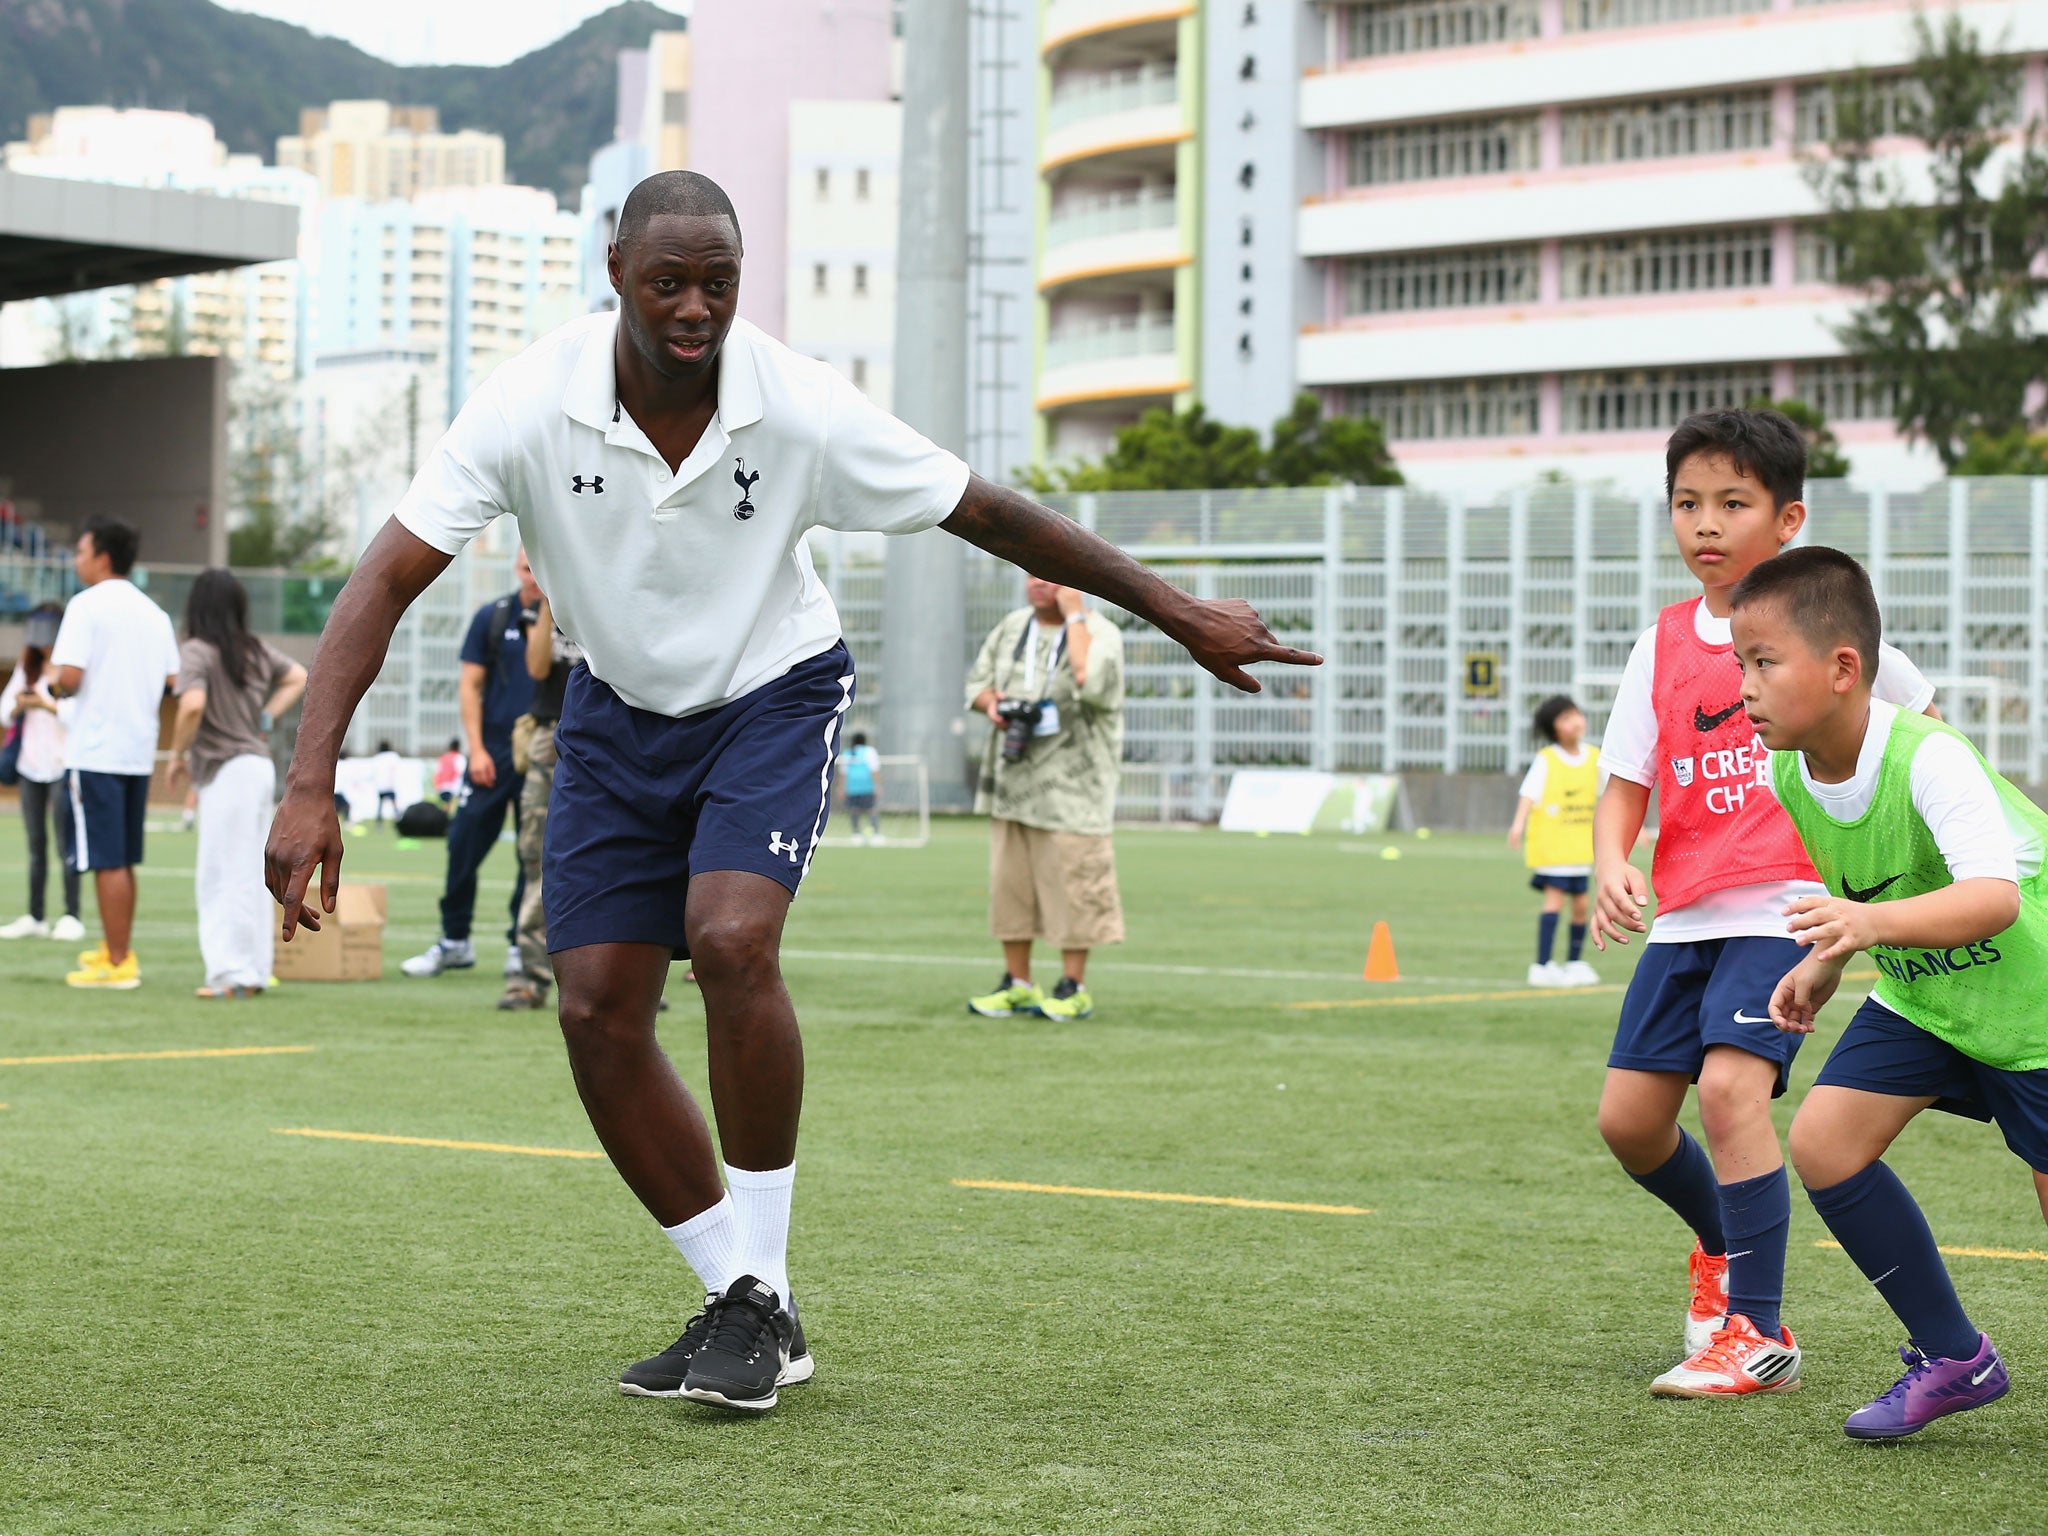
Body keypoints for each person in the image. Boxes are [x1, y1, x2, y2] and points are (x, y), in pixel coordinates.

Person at [264, 170, 1313, 1415]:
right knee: (594, 1008)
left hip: (770, 694)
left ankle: (754, 1290)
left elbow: (989, 513)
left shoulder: (799, 405)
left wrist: (1179, 610)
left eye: (718, 280)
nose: (696, 307)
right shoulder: (526, 402)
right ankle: (743, 1295)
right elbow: (382, 581)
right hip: (610, 717)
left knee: (729, 938)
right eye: (668, 281)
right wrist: (309, 780)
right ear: (616, 274)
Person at [1587, 408, 1937, 1398]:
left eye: (1729, 503)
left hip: (1783, 913)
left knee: (1733, 1091)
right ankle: (1716, 1238)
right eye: (1686, 504)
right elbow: (1624, 781)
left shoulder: (1827, 630)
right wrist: (1612, 861)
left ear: (1785, 520)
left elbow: (1921, 734)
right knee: (1627, 1123)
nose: (1704, 523)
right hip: (1685, 916)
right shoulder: (1657, 645)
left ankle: (1755, 1330)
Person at [1731, 546, 2040, 1439]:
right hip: (1929, 996)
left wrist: (1862, 932)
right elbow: (1870, 894)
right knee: (1826, 1144)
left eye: (1764, 662)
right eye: (1739, 663)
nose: (1743, 687)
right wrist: (1829, 957)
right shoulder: (1785, 769)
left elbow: (1993, 899)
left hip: (2034, 1006)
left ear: (1842, 669)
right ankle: (1956, 1357)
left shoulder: (1931, 758)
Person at [964, 575, 1126, 1023]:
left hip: (1075, 790)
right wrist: (992, 704)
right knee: (1010, 889)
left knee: (1076, 887)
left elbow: (1089, 683)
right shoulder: (1013, 626)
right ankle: (1017, 984)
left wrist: (1075, 615)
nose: (1038, 583)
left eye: (1051, 576)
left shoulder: (1101, 632)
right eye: (1031, 573)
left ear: (1075, 583)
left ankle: (1073, 987)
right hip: (1014, 784)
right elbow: (975, 685)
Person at [46, 517, 181, 990]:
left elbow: (70, 678)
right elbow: (171, 681)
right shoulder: (155, 614)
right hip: (137, 750)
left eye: (81, 552)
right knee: (121, 857)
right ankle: (115, 947)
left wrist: (50, 681)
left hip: (96, 749)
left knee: (106, 859)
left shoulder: (85, 607)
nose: (77, 560)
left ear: (102, 556)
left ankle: (119, 961)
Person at [166, 570, 306, 998]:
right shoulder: (254, 649)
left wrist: (176, 755)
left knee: (220, 875)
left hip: (226, 770)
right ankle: (252, 971)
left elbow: (191, 705)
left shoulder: (196, 651)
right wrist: (266, 716)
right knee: (247, 871)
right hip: (257, 766)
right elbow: (299, 674)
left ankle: (230, 973)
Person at [400, 549, 539, 978]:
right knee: (463, 842)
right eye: (524, 566)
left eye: (536, 566)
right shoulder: (493, 617)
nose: (530, 574)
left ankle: (521, 944)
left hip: (549, 749)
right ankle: (454, 939)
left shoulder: (570, 616)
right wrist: (476, 749)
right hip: (494, 751)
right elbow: (469, 685)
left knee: (533, 854)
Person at [499, 588, 583, 1012]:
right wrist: (551, 599)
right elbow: (535, 668)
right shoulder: (538, 610)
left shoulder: (606, 586)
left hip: (609, 734)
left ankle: (635, 981)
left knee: (623, 857)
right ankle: (529, 978)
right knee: (537, 859)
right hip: (550, 737)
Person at [0, 604, 85, 942]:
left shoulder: (70, 671)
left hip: (63, 766)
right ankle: (36, 915)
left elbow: (77, 716)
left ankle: (71, 915)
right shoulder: (27, 670)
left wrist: (47, 703)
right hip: (30, 767)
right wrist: (22, 703)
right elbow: (5, 711)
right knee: (36, 844)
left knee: (67, 843)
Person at [1508, 694, 1599, 989]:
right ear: (1554, 728)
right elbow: (1528, 794)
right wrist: (1518, 824)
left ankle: (1574, 962)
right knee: (1554, 903)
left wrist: (1635, 829)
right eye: (1565, 718)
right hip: (1554, 847)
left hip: (1580, 848)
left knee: (1583, 905)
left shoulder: (1594, 757)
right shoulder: (1547, 759)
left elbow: (1612, 795)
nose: (1574, 721)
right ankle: (1543, 964)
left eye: (1576, 714)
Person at [839, 731, 882, 844]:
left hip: (852, 786)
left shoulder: (847, 753)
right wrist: (877, 785)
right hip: (866, 785)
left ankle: (856, 834)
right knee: (871, 810)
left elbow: (843, 773)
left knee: (854, 810)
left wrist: (841, 788)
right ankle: (875, 834)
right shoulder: (870, 751)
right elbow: (875, 770)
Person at [371, 740, 403, 822]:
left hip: (380, 785)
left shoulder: (377, 758)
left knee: (380, 804)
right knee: (394, 802)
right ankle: (398, 818)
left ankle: (379, 822)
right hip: (390, 784)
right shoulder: (393, 756)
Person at [434, 738, 464, 809]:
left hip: (441, 789)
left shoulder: (442, 758)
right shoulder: (459, 757)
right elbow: (461, 773)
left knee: (446, 807)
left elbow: (437, 773)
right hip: (453, 788)